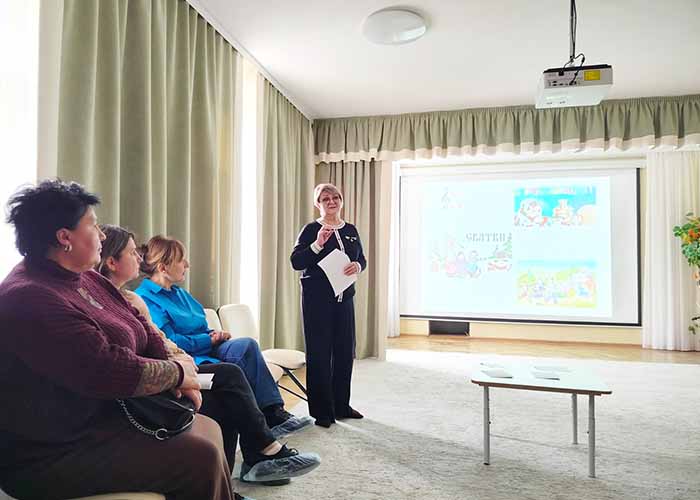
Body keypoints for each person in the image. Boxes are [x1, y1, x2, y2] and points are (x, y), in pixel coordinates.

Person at [0, 180, 233, 500]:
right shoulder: (29, 297)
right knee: (200, 457)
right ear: (65, 237)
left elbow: (139, 324)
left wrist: (176, 364)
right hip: (51, 451)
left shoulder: (85, 276)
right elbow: (107, 369)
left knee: (209, 429)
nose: (102, 235)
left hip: (106, 418)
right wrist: (179, 374)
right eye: (93, 225)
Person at [97, 225, 320, 485]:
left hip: (188, 359)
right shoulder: (132, 300)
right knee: (230, 382)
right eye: (132, 253)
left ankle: (264, 439)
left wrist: (199, 347)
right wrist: (185, 366)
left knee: (243, 353)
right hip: (176, 368)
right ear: (112, 262)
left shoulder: (137, 299)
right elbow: (154, 348)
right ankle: (260, 454)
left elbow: (161, 341)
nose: (139, 257)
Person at [133, 235, 313, 439]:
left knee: (246, 345)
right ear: (163, 268)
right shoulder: (145, 299)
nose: (187, 264)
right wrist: (208, 340)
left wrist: (214, 334)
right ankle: (262, 425)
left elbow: (201, 325)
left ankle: (274, 413)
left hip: (208, 345)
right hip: (190, 356)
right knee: (232, 369)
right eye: (181, 260)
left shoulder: (180, 294)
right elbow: (171, 342)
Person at [290, 183, 366, 428]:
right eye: (325, 199)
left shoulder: (351, 230)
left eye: (335, 197)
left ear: (341, 200)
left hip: (345, 299)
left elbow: (361, 258)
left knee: (344, 352)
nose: (331, 202)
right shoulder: (311, 229)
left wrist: (358, 266)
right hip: (317, 302)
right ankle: (322, 412)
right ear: (318, 204)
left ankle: (341, 406)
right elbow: (296, 261)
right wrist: (317, 244)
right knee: (319, 354)